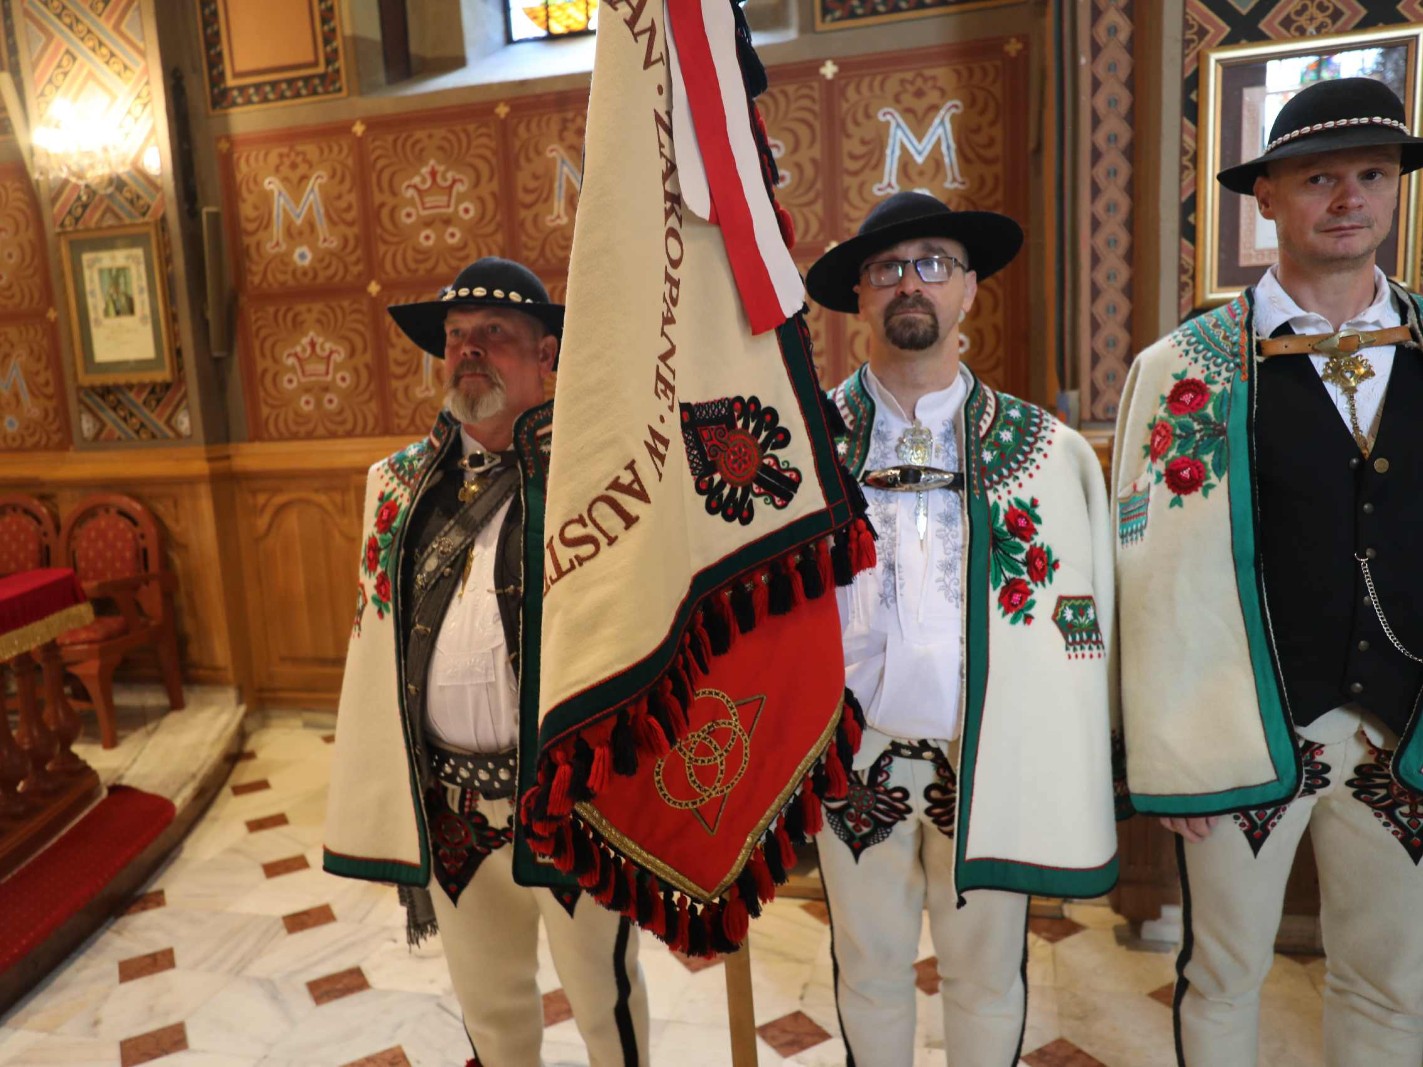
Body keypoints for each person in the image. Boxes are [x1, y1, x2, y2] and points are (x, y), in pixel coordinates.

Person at [1115, 77, 1423, 1067]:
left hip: (1406, 726)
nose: (1349, 197)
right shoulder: (1186, 366)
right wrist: (1171, 751)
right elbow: (1148, 579)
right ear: (1268, 197)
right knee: (1223, 973)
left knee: (1394, 982)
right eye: (1318, 177)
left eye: (1371, 173)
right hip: (1242, 728)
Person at [805, 191, 1122, 1066]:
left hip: (992, 755)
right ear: (860, 295)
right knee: (867, 970)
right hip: (849, 762)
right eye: (887, 268)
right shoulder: (802, 447)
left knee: (986, 977)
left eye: (933, 263)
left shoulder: (1047, 452)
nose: (910, 282)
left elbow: (1085, 629)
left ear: (969, 288)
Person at [323, 257, 650, 1067]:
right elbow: (375, 652)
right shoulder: (396, 486)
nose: (468, 349)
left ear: (546, 355)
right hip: (454, 811)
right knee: (492, 1014)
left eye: (494, 333)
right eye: (456, 335)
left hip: (570, 805)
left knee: (603, 1003)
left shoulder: (601, 477)